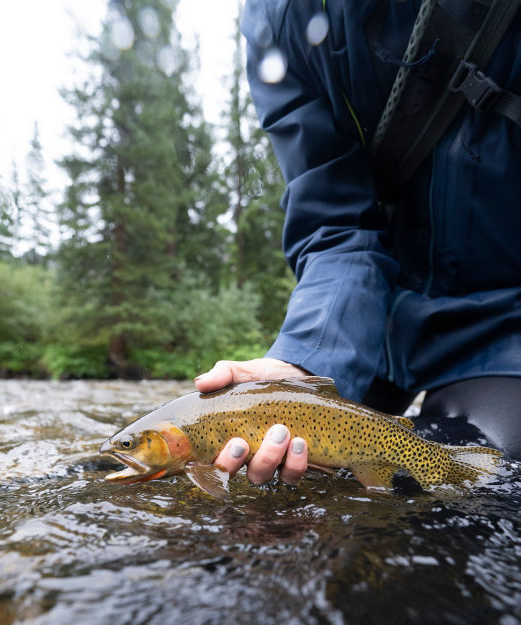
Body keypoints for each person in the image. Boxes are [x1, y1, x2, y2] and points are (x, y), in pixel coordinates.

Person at [195, 0, 521, 485]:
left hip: (500, 325)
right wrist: (306, 362)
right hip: (362, 333)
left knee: (473, 493)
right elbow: (336, 229)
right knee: (270, 503)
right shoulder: (280, 18)